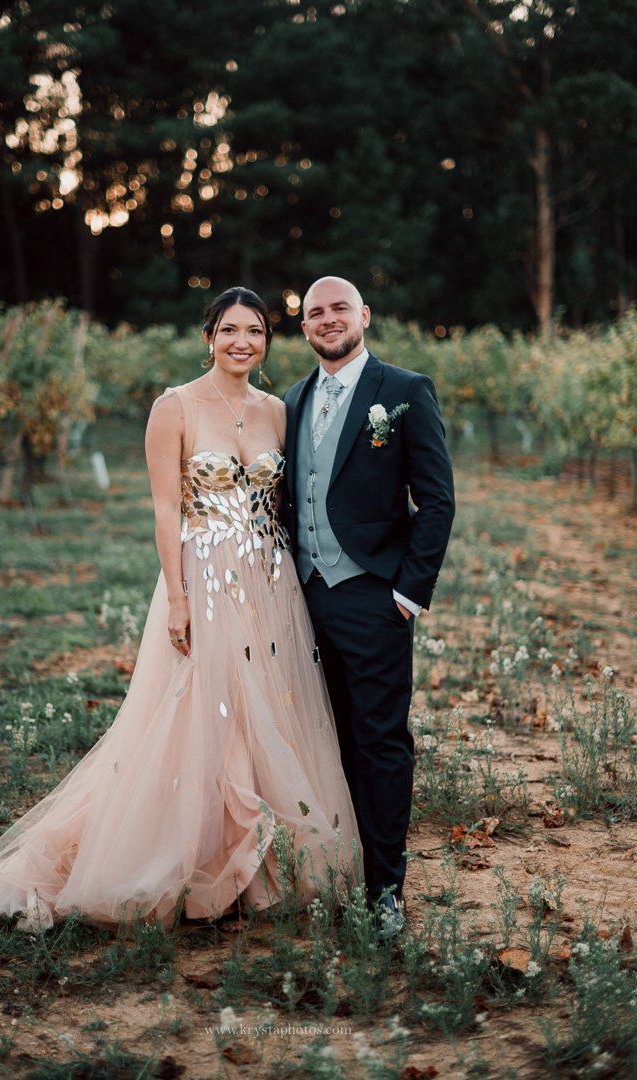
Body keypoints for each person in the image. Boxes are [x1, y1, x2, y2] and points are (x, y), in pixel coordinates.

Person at [0, 286, 360, 931]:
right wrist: (178, 599)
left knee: (265, 709)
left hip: (269, 581)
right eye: (231, 329)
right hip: (204, 580)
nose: (243, 341)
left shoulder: (277, 410)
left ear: (268, 341)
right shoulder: (174, 407)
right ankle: (184, 857)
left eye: (257, 330)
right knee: (199, 712)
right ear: (208, 335)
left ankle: (261, 862)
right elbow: (164, 510)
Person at [282, 276, 455, 939]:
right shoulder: (291, 399)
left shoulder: (404, 391)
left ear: (364, 316)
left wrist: (407, 593)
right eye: (313, 313)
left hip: (372, 596)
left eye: (338, 309)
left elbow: (435, 499)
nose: (327, 320)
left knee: (380, 742)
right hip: (301, 597)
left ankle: (385, 891)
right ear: (302, 327)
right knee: (328, 740)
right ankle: (336, 872)